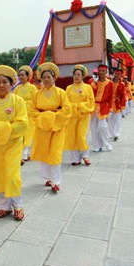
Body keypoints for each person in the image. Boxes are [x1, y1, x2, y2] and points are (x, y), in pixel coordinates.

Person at [0, 65, 28, 220]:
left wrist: (1, 129)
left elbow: (22, 124)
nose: (2, 85)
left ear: (11, 84)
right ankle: (3, 206)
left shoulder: (18, 101)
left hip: (13, 145)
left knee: (12, 175)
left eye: (5, 82)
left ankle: (18, 206)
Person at [29, 62, 71, 192]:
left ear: (54, 78)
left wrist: (53, 117)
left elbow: (67, 109)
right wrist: (43, 118)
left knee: (55, 153)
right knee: (44, 153)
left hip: (56, 127)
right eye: (44, 77)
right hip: (42, 128)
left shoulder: (61, 93)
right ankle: (48, 177)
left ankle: (55, 181)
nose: (46, 79)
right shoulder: (37, 94)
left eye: (49, 77)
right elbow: (32, 110)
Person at [63, 64, 94, 166]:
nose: (76, 77)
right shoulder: (68, 88)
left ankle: (85, 156)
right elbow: (65, 102)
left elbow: (90, 101)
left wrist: (81, 106)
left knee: (82, 135)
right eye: (75, 74)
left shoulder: (88, 87)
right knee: (73, 136)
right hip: (72, 116)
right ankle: (75, 159)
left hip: (83, 115)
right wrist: (73, 107)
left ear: (83, 76)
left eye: (78, 75)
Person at [14, 65, 38, 164]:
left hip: (29, 113)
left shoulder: (32, 88)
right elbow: (14, 100)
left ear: (28, 77)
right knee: (20, 133)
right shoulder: (17, 89)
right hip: (19, 114)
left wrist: (24, 104)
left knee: (28, 133)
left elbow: (35, 101)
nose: (21, 77)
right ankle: (23, 153)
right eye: (19, 75)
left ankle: (25, 154)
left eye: (23, 75)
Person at [90, 64, 114, 152]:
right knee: (94, 128)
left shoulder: (110, 83)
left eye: (103, 71)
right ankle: (96, 146)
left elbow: (111, 97)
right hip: (92, 107)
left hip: (103, 106)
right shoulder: (91, 81)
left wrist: (111, 109)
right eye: (99, 71)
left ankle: (107, 144)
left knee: (103, 126)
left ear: (106, 72)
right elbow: (90, 93)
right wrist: (94, 83)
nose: (101, 72)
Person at [108, 68, 127, 141]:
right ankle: (114, 134)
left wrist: (122, 106)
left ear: (120, 75)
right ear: (113, 74)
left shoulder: (122, 84)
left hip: (117, 104)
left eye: (118, 74)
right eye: (116, 74)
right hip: (109, 105)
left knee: (117, 121)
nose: (116, 75)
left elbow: (123, 96)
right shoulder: (109, 82)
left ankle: (117, 134)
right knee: (110, 122)